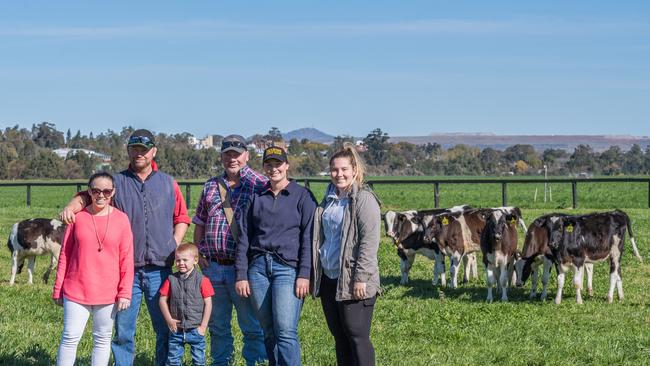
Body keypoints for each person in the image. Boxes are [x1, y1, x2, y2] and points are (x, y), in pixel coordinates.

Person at [60, 129, 191, 366]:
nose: (139, 153)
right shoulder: (116, 183)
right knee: (123, 332)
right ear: (128, 151)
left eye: (144, 149)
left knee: (165, 328)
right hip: (124, 272)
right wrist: (71, 206)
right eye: (134, 149)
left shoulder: (169, 184)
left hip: (160, 268)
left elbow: (181, 217)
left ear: (154, 151)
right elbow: (87, 196)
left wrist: (173, 243)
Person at [235, 146, 317, 365]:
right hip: (258, 270)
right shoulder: (256, 197)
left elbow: (310, 237)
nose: (273, 169)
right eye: (268, 165)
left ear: (287, 166)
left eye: (278, 164)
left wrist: (304, 274)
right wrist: (242, 274)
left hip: (287, 269)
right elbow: (244, 238)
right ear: (263, 168)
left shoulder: (303, 196)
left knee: (286, 330)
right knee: (268, 330)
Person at [193, 134, 267, 366]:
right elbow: (200, 221)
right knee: (217, 325)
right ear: (221, 157)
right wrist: (198, 252)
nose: (232, 159)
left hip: (242, 268)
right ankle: (220, 362)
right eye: (228, 154)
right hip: (213, 266)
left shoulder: (257, 184)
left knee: (251, 324)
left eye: (237, 154)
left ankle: (255, 361)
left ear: (246, 155)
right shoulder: (211, 185)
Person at [53, 172, 134, 366]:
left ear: (113, 192)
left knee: (102, 338)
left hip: (108, 292)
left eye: (106, 191)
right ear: (89, 191)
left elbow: (127, 258)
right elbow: (65, 254)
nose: (101, 195)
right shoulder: (77, 218)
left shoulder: (122, 220)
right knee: (70, 337)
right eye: (96, 190)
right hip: (76, 290)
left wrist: (125, 292)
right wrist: (58, 289)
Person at [311, 143, 381, 366]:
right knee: (340, 338)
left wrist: (361, 278)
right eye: (334, 169)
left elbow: (369, 243)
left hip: (353, 280)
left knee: (357, 337)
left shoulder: (364, 199)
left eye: (343, 169)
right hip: (330, 277)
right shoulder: (329, 199)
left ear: (354, 170)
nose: (338, 174)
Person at [159, 243, 214, 366]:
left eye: (185, 260)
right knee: (173, 361)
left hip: (196, 329)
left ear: (195, 260)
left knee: (199, 361)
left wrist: (203, 327)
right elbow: (162, 300)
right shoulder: (171, 279)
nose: (181, 263)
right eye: (178, 260)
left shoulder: (203, 280)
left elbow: (208, 303)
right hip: (176, 330)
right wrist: (169, 320)